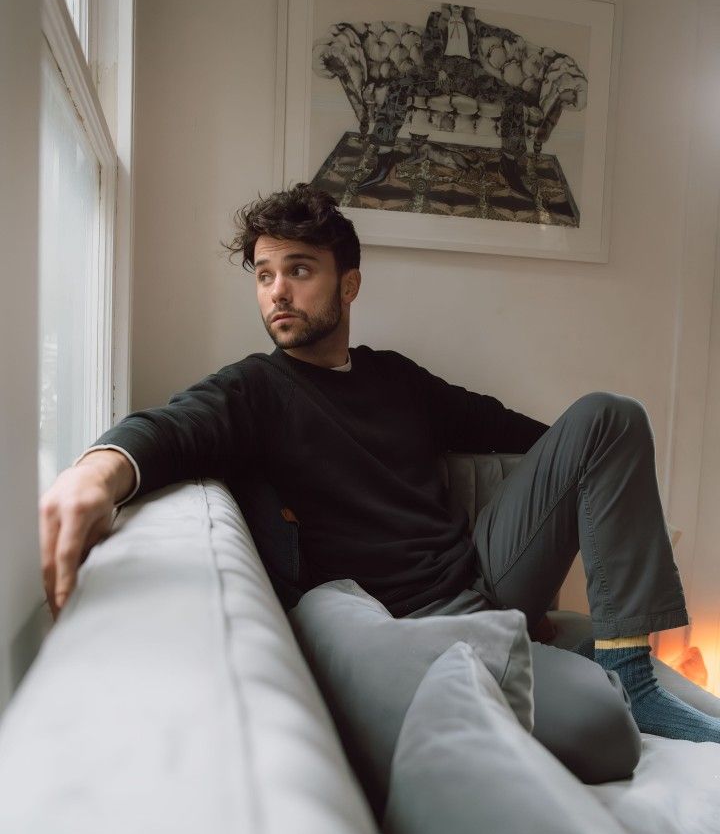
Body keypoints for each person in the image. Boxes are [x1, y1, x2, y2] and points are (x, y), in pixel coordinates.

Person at [39, 183, 719, 785]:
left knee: (610, 416)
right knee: (601, 733)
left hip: (486, 573)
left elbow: (538, 437)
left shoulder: (395, 378)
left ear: (349, 285)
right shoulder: (254, 388)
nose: (277, 291)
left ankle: (631, 667)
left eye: (299, 271)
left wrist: (588, 505)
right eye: (265, 274)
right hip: (405, 624)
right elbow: (173, 426)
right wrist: (97, 471)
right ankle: (601, 676)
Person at [358, 3, 534, 195]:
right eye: (454, 4)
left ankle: (508, 166)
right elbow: (429, 49)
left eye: (461, 4)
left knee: (513, 97)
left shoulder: (473, 23)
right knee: (398, 85)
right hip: (438, 72)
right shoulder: (436, 19)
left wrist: (514, 39)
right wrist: (440, 68)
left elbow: (497, 32)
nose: (458, 6)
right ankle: (384, 160)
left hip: (468, 73)